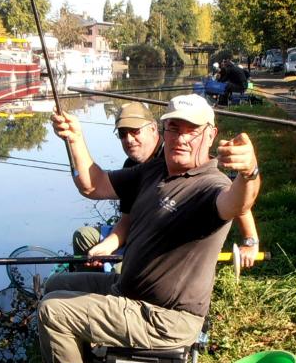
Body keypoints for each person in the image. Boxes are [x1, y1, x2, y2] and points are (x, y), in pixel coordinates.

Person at [37, 94, 261, 363]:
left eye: (192, 130)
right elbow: (93, 186)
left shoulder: (210, 185)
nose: (182, 138)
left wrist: (249, 172)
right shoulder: (154, 170)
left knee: (53, 311)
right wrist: (74, 138)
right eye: (174, 129)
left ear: (211, 135)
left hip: (164, 318)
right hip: (127, 291)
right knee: (56, 285)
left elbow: (238, 203)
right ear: (163, 131)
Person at [71, 101, 261, 270]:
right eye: (122, 134)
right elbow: (124, 214)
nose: (129, 140)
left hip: (165, 250)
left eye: (135, 132)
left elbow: (237, 203)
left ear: (154, 129)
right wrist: (108, 245)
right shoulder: (136, 166)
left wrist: (250, 240)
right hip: (140, 233)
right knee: (83, 237)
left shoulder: (179, 160)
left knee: (121, 269)